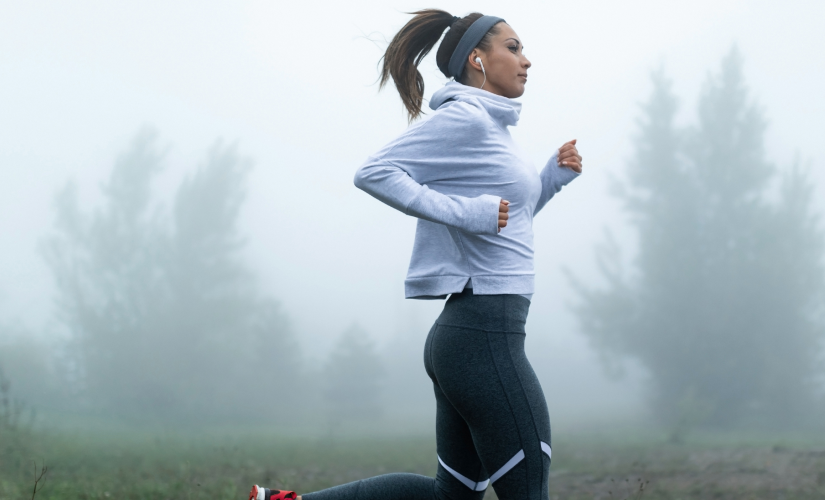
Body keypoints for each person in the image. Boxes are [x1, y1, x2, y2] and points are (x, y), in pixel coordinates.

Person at [248, 9, 582, 500]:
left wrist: (550, 178)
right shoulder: (465, 119)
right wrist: (468, 213)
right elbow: (375, 172)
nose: (526, 60)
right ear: (477, 59)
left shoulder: (493, 129)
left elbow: (508, 221)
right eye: (512, 48)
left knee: (452, 497)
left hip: (472, 336)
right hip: (483, 337)